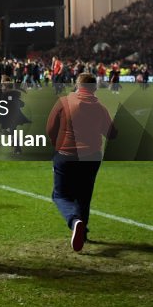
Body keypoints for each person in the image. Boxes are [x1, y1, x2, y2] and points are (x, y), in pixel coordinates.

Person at [46, 72, 117, 252]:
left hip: (67, 154)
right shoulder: (99, 107)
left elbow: (50, 128)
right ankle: (82, 232)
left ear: (77, 85)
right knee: (84, 196)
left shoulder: (64, 102)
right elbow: (112, 134)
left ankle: (74, 220)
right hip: (91, 156)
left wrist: (57, 145)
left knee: (60, 195)